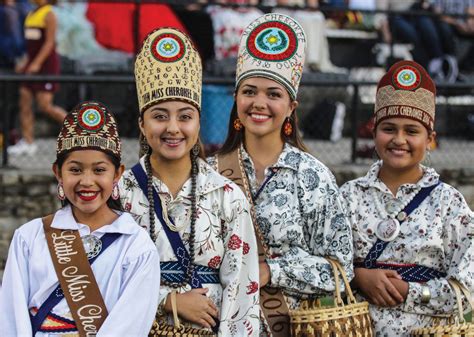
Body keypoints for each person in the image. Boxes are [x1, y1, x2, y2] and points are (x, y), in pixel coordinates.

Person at [208, 13, 353, 336]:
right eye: (250, 92)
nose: (259, 103)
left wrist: (270, 271)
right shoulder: (209, 174)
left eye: (273, 94)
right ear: (236, 99)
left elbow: (341, 270)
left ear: (291, 107)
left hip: (293, 327)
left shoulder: (313, 176)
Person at [118, 27, 260, 336]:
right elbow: (102, 278)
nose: (173, 128)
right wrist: (168, 300)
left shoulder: (227, 197)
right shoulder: (118, 195)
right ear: (142, 124)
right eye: (159, 116)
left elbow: (243, 293)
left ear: (198, 122)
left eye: (184, 116)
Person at [0, 101, 161, 336]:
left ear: (117, 174)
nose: (87, 181)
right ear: (58, 173)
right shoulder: (29, 237)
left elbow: (130, 324)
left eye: (99, 170)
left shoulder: (136, 246)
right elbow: (11, 318)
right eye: (75, 170)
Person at [340, 60, 474, 336]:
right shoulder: (349, 196)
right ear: (374, 131)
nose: (399, 139)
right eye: (389, 128)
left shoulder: (449, 203)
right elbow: (325, 270)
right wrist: (358, 278)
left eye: (412, 131)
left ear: (430, 139)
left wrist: (412, 292)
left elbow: (468, 288)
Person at [8, 0, 67, 156]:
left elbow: (49, 43)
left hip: (46, 66)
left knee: (45, 105)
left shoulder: (49, 14)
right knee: (24, 101)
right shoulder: (31, 14)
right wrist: (26, 62)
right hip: (32, 65)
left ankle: (81, 130)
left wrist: (37, 64)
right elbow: (31, 45)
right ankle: (28, 142)